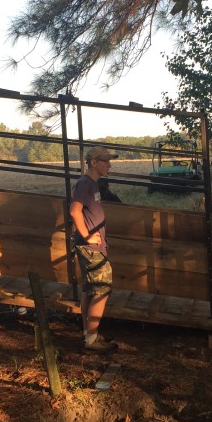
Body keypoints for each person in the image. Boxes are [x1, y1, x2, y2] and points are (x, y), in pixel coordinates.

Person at [70, 146, 119, 353]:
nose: (109, 165)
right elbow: (74, 210)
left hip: (92, 245)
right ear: (93, 162)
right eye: (105, 161)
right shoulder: (84, 184)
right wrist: (87, 235)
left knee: (90, 289)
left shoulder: (93, 184)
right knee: (103, 287)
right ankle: (91, 340)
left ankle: (88, 334)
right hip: (90, 246)